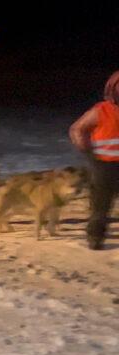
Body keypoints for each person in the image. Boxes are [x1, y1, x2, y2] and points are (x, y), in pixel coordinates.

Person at [69, 70, 119, 250]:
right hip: (103, 164)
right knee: (101, 205)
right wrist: (88, 151)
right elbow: (77, 129)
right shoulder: (101, 110)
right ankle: (95, 237)